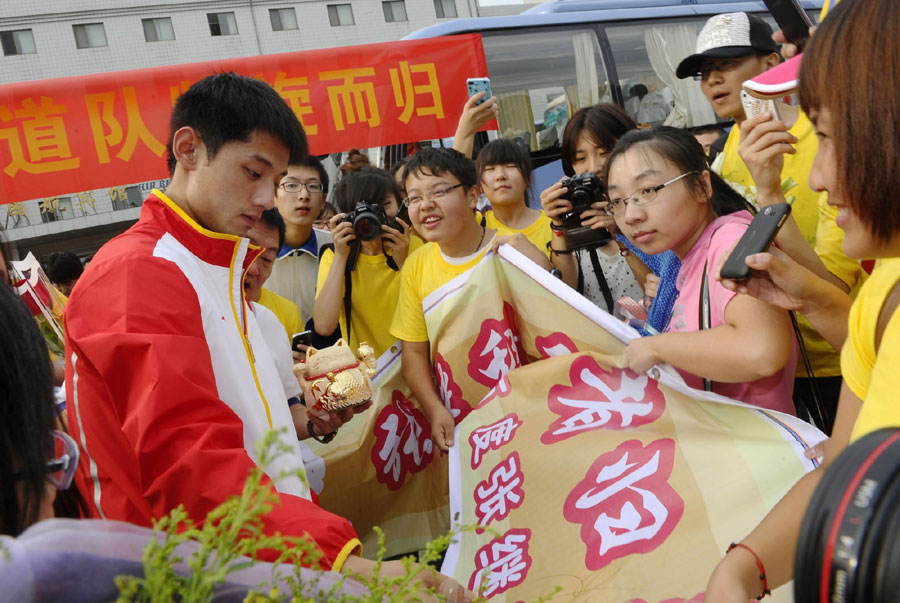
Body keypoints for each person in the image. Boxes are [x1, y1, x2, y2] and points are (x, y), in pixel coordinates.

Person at [62, 74, 472, 595]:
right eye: (253, 172)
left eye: (275, 179)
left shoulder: (220, 272)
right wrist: (346, 564)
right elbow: (190, 463)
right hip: (178, 576)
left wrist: (311, 423)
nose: (266, 197)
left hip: (258, 557)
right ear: (188, 149)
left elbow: (253, 434)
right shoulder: (139, 273)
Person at [705, 1, 900, 598]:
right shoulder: (882, 298)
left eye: (830, 137)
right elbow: (846, 463)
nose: (815, 175)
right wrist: (743, 568)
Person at [677, 11, 865, 431]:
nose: (713, 81)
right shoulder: (724, 153)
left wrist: (771, 196)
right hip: (772, 368)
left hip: (839, 356)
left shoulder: (825, 139)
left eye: (727, 64)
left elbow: (833, 286)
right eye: (705, 73)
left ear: (772, 62)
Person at [607, 126, 797, 415]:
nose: (632, 215)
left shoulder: (729, 242)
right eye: (618, 202)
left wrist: (659, 347)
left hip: (760, 447)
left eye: (647, 191)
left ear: (702, 186)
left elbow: (762, 351)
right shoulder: (687, 257)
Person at [391, 148, 556, 452]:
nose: (425, 205)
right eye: (413, 198)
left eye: (438, 192)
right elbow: (413, 353)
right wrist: (434, 408)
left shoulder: (512, 249)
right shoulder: (416, 266)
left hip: (535, 413)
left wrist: (543, 269)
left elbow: (557, 329)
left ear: (471, 196)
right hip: (466, 424)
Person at [540, 104, 649, 315]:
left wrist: (620, 234)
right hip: (601, 344)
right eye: (580, 159)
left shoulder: (651, 205)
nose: (594, 166)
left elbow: (662, 290)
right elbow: (566, 291)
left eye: (605, 152)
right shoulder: (572, 214)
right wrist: (558, 224)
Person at [313, 166, 415, 358]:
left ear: (400, 204)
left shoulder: (419, 247)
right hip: (366, 378)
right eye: (363, 210)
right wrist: (341, 256)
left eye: (383, 206)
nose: (373, 218)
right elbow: (324, 326)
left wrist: (405, 263)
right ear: (346, 216)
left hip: (416, 368)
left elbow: (433, 315)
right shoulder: (337, 256)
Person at [476, 138, 577, 287]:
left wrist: (538, 259)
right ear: (479, 186)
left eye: (510, 166)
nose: (500, 176)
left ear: (527, 178)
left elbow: (570, 289)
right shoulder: (477, 225)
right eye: (490, 169)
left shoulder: (554, 223)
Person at [267, 155, 333, 325]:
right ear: (273, 195)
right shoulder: (254, 251)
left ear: (324, 200)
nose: (304, 195)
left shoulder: (336, 249)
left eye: (312, 186)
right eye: (291, 185)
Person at [244, 208, 303, 344]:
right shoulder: (198, 305)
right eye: (247, 249)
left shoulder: (288, 314)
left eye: (266, 259)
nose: (253, 269)